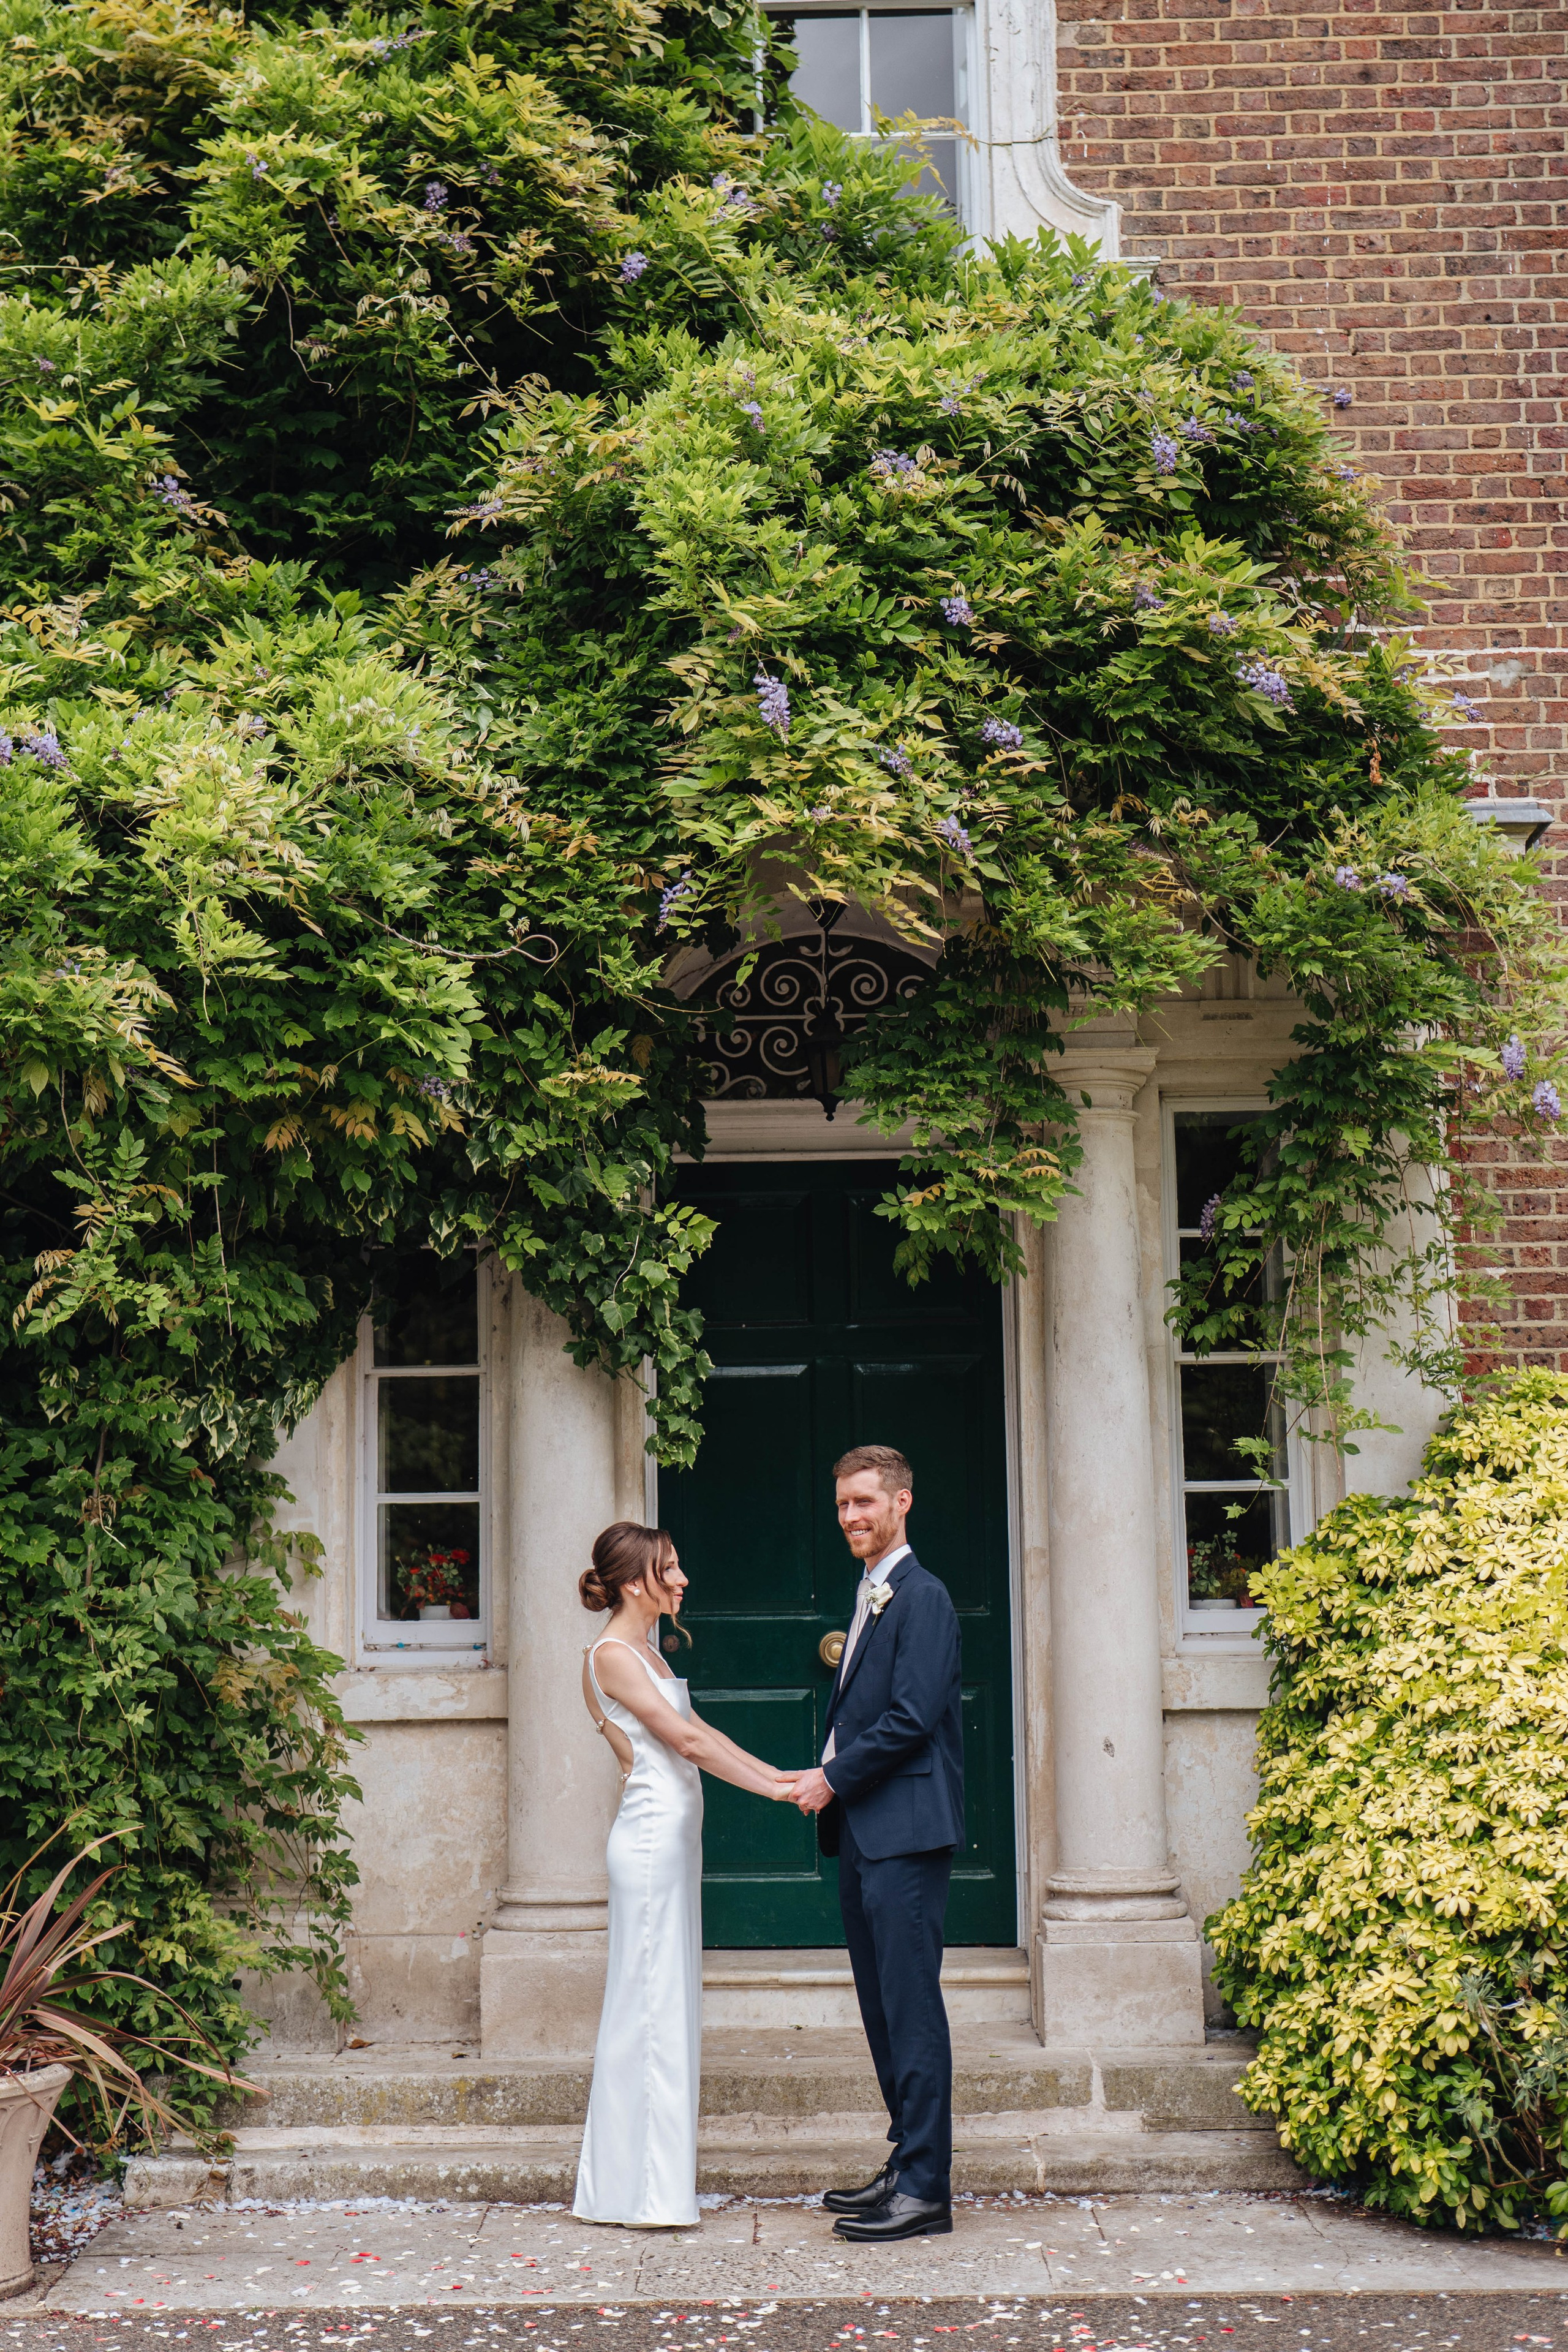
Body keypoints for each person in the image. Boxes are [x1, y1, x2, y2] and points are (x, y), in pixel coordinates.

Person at [573, 1520, 796, 2229]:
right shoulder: (612, 1655)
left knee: (669, 2001)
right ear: (636, 1579)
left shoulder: (649, 1652)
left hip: (673, 1839)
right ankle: (638, 2193)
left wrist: (780, 1775)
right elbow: (687, 1743)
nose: (683, 1580)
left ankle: (653, 2186)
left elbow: (705, 1731)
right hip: (646, 1842)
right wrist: (777, 1792)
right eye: (671, 1568)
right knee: (648, 2007)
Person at [788, 1444, 963, 2242]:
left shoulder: (922, 1597)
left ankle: (926, 2190)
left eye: (865, 1501)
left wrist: (831, 1778)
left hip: (906, 1831)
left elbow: (910, 1718)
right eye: (842, 1506)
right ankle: (905, 2161)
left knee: (911, 2006)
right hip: (865, 1832)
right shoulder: (871, 1595)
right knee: (881, 2007)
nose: (851, 1516)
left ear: (903, 1502)